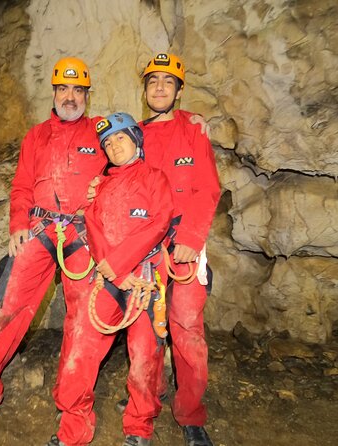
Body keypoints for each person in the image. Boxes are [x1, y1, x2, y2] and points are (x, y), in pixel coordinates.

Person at [0, 57, 107, 437]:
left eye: (78, 90)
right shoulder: (36, 136)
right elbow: (22, 186)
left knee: (85, 324)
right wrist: (17, 225)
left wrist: (189, 123)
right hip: (39, 229)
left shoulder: (101, 133)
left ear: (87, 96)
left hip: (83, 235)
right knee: (5, 305)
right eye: (64, 89)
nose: (71, 97)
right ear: (55, 92)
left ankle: (73, 411)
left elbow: (138, 148)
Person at [50, 112, 174, 446]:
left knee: (145, 355)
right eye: (107, 142)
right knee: (82, 349)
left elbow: (158, 223)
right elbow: (93, 224)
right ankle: (73, 430)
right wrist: (109, 267)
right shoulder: (101, 185)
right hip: (109, 280)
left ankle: (139, 428)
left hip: (144, 279)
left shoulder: (155, 178)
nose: (114, 146)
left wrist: (118, 266)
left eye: (120, 138)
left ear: (135, 138)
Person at [139, 53, 221, 446]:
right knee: (147, 329)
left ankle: (190, 414)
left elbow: (207, 189)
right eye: (153, 81)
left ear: (178, 90)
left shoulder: (193, 131)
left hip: (186, 247)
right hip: (145, 248)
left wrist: (191, 238)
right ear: (144, 90)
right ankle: (146, 400)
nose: (159, 87)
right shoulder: (132, 135)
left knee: (186, 328)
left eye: (167, 82)